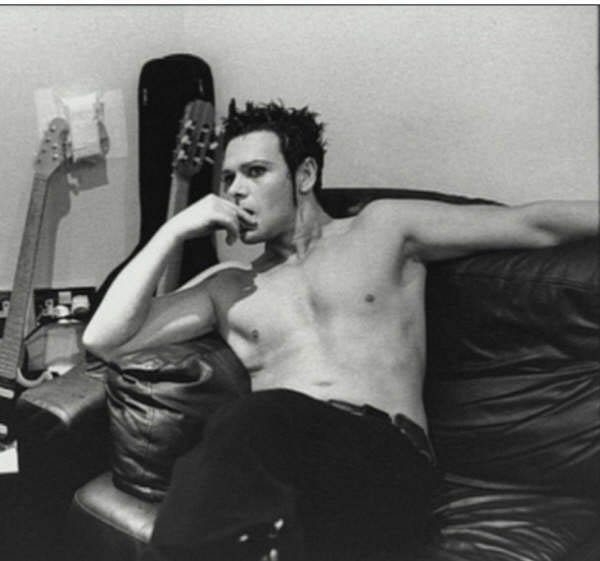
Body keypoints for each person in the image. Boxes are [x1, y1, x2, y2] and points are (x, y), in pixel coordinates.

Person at [82, 100, 599, 561]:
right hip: (286, 484)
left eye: (255, 172)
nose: (236, 190)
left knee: (256, 417)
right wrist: (172, 231)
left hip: (385, 461)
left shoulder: (383, 229)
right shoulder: (227, 285)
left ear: (304, 174)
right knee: (255, 446)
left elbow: (534, 224)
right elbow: (104, 340)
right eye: (227, 179)